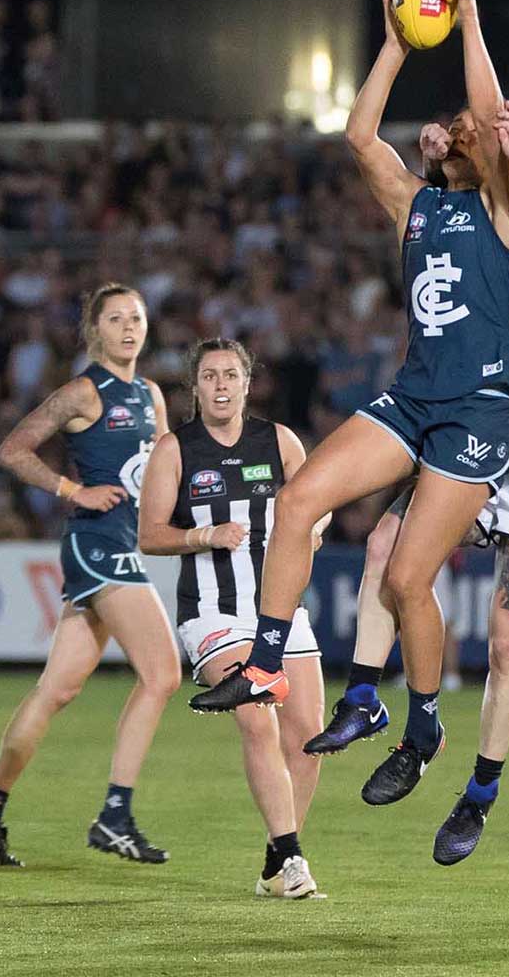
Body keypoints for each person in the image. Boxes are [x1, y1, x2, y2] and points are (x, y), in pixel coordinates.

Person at [189, 0, 509, 811]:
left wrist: (470, 17)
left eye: (468, 125)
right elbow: (356, 136)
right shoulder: (417, 204)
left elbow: (492, 119)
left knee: (408, 579)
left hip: (478, 414)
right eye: (453, 122)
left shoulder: (505, 207)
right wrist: (391, 45)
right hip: (416, 396)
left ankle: (422, 727)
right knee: (301, 499)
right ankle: (266, 662)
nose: (461, 126)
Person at [305, 105, 509, 866]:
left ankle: (479, 794)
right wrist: (448, 161)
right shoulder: (503, 263)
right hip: (477, 453)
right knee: (384, 544)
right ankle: (375, 704)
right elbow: (435, 237)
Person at [0, 284, 180, 867]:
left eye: (137, 317)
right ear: (93, 330)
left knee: (58, 689)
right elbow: (13, 449)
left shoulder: (151, 393)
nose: (129, 327)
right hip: (97, 546)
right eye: (115, 319)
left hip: (124, 545)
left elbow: (163, 472)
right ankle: (115, 814)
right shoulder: (84, 391)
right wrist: (72, 488)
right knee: (161, 674)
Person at [138, 338, 329, 899]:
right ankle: (294, 859)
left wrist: (314, 528)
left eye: (230, 375)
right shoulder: (175, 450)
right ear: (194, 388)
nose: (220, 385)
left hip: (280, 611)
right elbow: (150, 535)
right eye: (209, 376)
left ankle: (274, 861)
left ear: (248, 383)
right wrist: (205, 535)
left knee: (309, 740)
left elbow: (322, 499)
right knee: (254, 713)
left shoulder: (280, 441)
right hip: (213, 612)